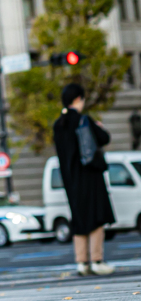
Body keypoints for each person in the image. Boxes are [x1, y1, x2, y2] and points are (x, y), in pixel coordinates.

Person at [53, 83, 115, 277]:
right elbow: (104, 138)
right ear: (78, 99)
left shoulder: (58, 125)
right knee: (96, 217)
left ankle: (81, 262)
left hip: (70, 181)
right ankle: (97, 260)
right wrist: (100, 128)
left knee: (78, 218)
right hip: (90, 177)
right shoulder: (83, 120)